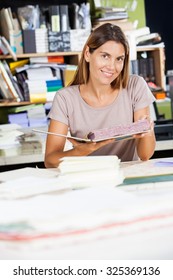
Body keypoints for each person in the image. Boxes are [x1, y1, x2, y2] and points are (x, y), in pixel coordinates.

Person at [44, 23, 156, 168]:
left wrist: (148, 132)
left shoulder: (135, 86)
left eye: (119, 59)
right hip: (88, 178)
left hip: (125, 177)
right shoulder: (65, 98)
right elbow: (50, 160)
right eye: (105, 56)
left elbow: (145, 155)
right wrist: (81, 151)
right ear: (87, 54)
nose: (111, 66)